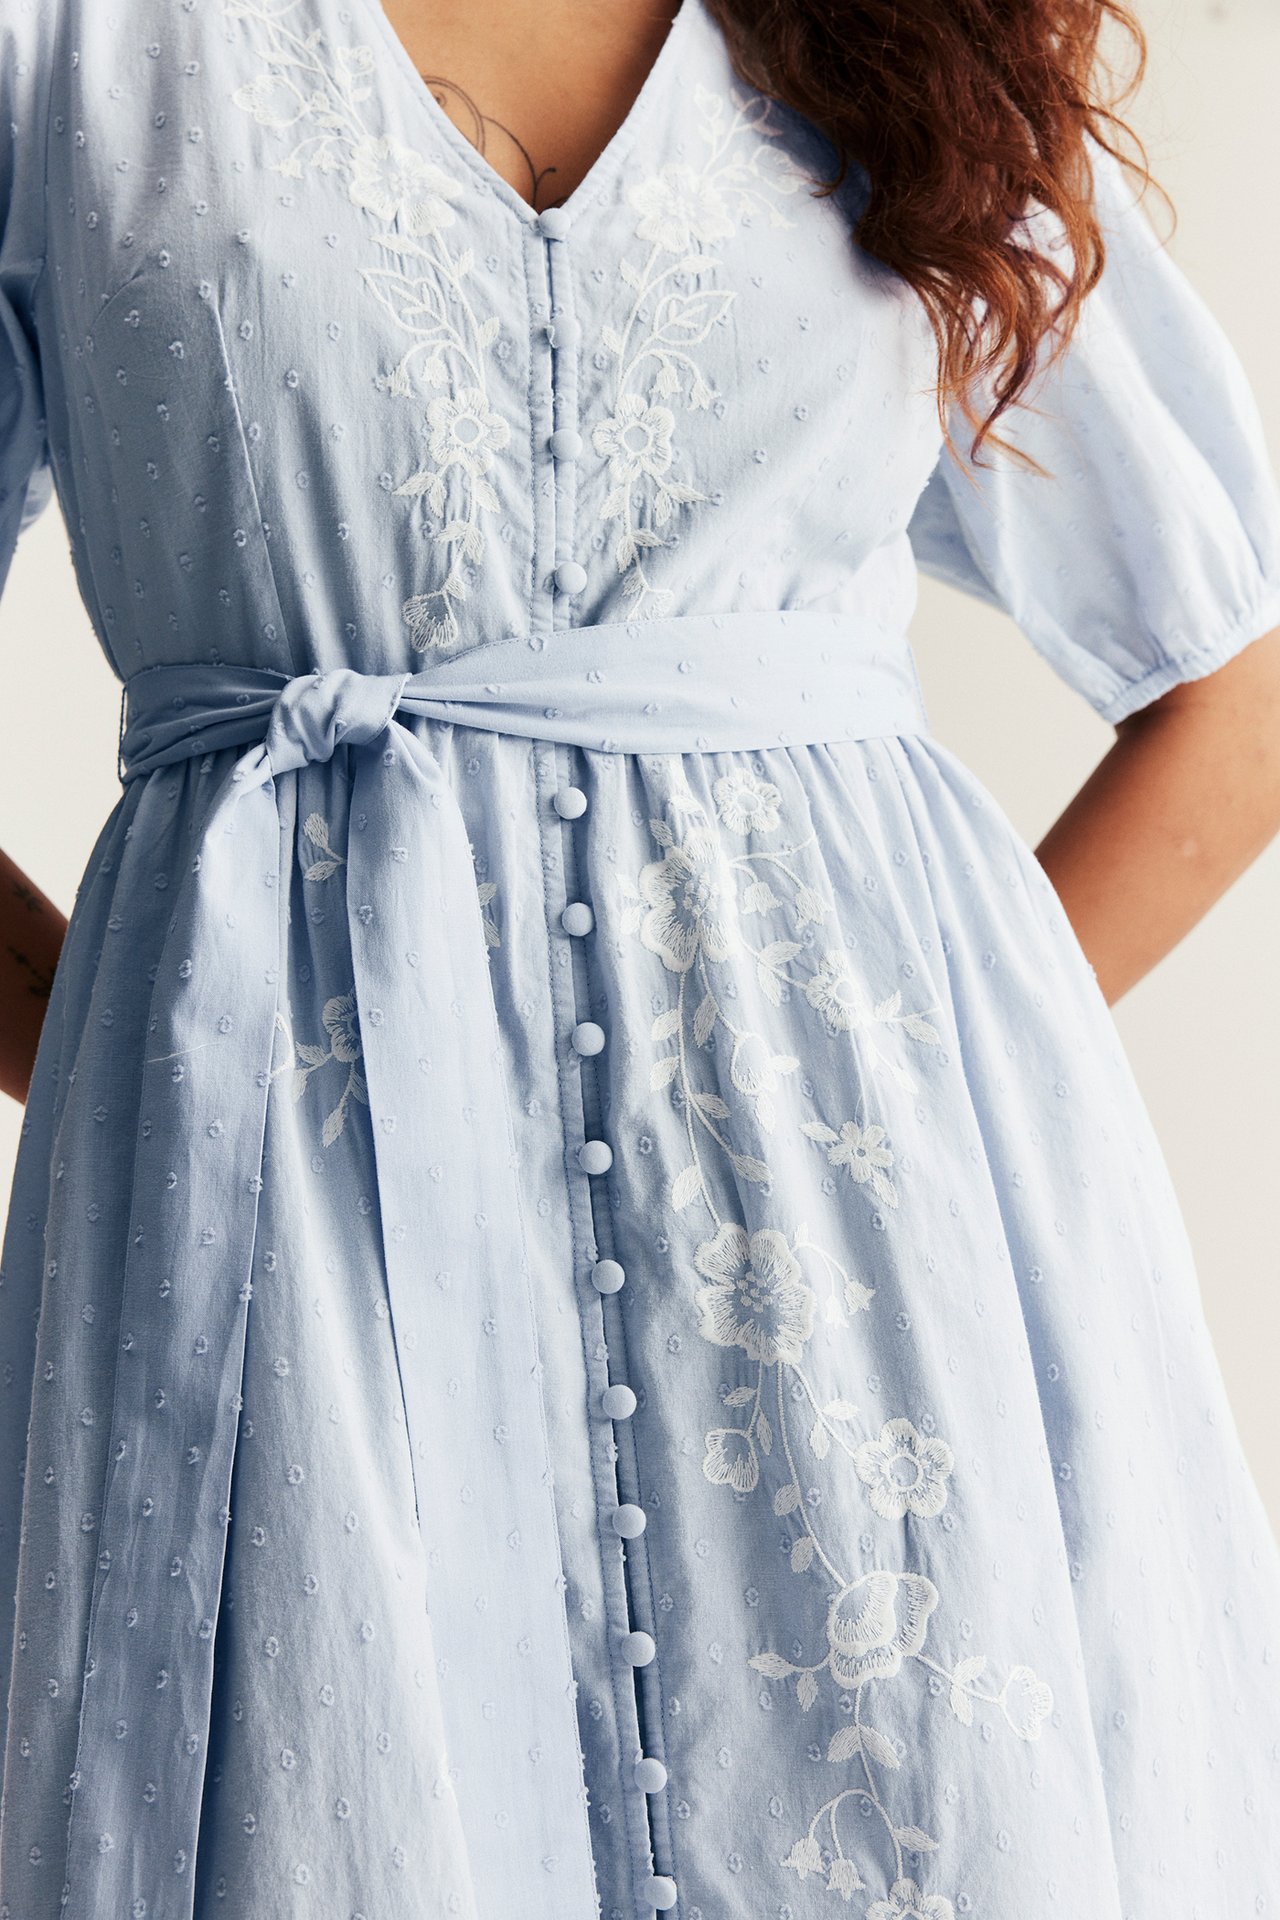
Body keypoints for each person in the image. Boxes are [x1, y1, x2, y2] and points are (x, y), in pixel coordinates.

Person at [2, 0, 1279, 1915]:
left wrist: (929, 1080)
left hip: (863, 1309)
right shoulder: (77, 48)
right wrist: (156, 1068)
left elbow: (1234, 685)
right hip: (287, 1285)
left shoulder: (915, 31)